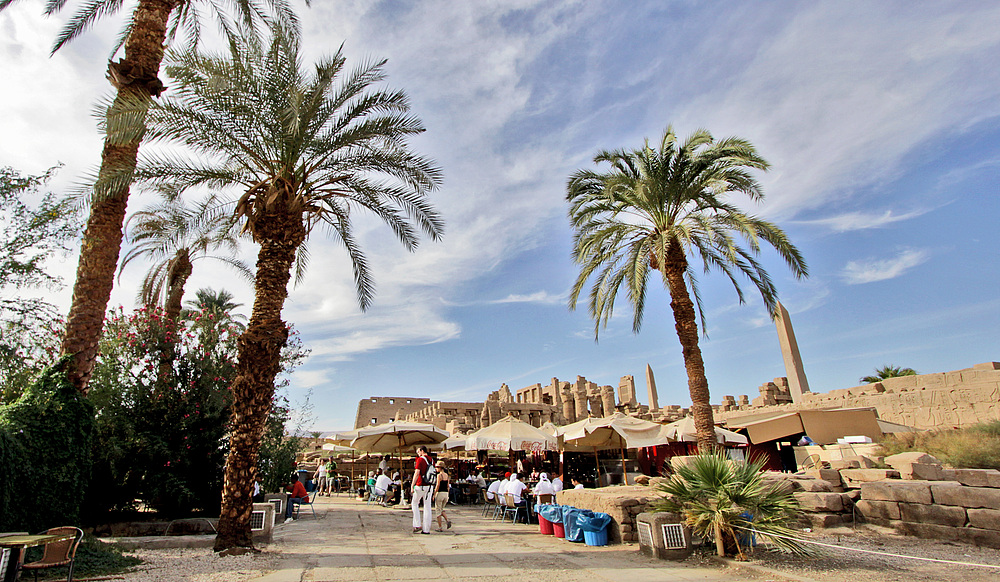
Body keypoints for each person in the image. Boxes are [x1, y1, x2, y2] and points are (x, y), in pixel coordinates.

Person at [411, 445, 435, 534]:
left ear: (421, 451)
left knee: (414, 503)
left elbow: (417, 473)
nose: (418, 454)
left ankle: (417, 524)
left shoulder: (420, 460)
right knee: (427, 506)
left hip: (420, 485)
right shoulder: (432, 460)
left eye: (418, 452)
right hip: (429, 486)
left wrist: (412, 485)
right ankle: (426, 529)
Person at [433, 460, 452, 531]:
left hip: (440, 493)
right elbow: (448, 486)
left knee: (438, 510)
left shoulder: (439, 475)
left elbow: (438, 485)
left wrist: (434, 494)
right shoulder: (446, 475)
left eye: (437, 467)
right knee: (442, 509)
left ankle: (440, 527)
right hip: (446, 494)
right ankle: (447, 520)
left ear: (440, 468)